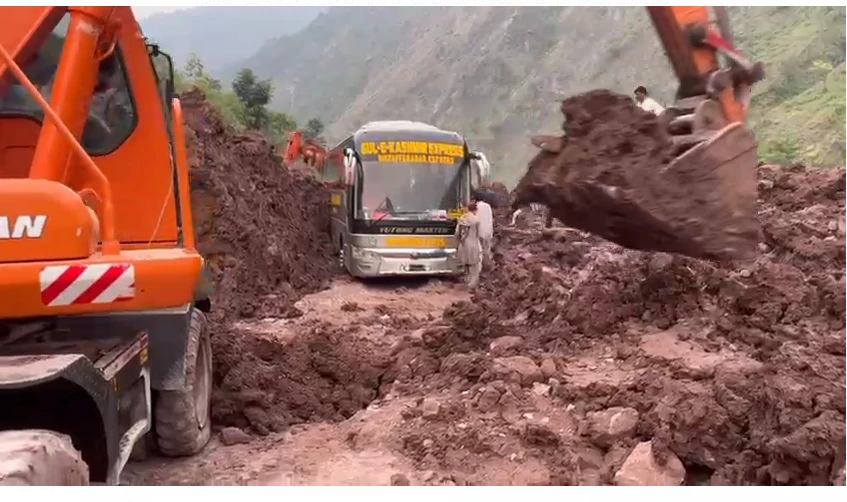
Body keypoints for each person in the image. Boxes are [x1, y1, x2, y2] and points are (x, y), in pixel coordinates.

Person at [455, 201, 482, 289]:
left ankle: (466, 280)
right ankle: (472, 283)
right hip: (473, 242)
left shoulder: (462, 218)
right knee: (474, 264)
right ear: (475, 210)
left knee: (465, 262)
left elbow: (457, 233)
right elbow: (478, 233)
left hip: (463, 243)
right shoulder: (476, 219)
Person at [472, 190, 494, 268]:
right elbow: (491, 219)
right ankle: (488, 266)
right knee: (487, 250)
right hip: (488, 231)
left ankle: (480, 268)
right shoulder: (488, 206)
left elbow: (475, 220)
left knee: (479, 251)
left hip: (479, 232)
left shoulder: (475, 207)